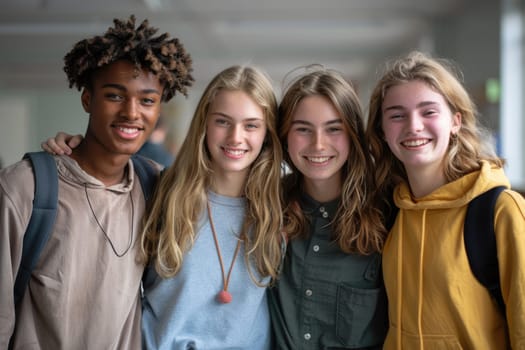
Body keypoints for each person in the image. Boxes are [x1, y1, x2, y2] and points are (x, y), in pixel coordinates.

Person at [0, 15, 193, 349]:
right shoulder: (25, 186)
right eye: (115, 96)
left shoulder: (157, 188)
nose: (132, 113)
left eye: (147, 100)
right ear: (87, 99)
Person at [366, 51, 525, 349]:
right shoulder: (388, 212)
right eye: (397, 115)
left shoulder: (499, 211)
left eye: (428, 112)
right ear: (382, 131)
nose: (413, 126)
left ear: (455, 121)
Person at [139, 65, 283, 349]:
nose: (235, 137)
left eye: (251, 125)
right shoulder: (160, 191)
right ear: (204, 123)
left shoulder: (281, 207)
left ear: (267, 133)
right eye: (223, 122)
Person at [267, 66, 388, 349]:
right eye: (303, 129)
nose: (318, 144)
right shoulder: (266, 206)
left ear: (352, 135)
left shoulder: (387, 213)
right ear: (285, 135)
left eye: (334, 129)